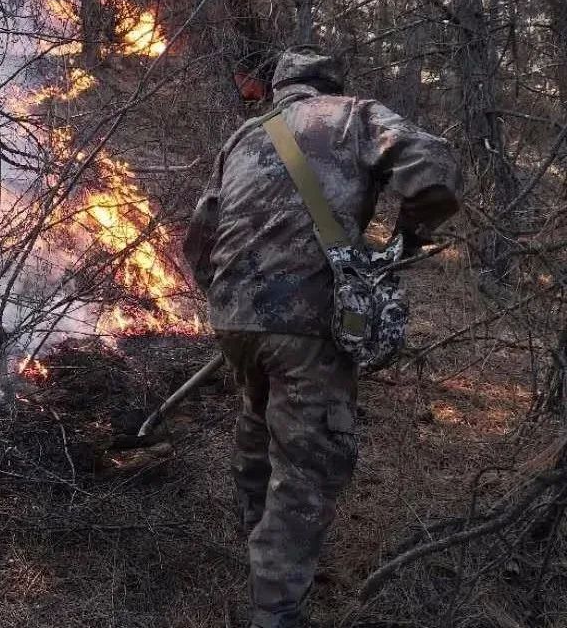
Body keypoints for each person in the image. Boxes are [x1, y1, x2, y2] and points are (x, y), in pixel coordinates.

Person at [183, 46, 461, 628]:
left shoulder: (242, 138)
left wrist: (228, 300)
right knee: (308, 464)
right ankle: (276, 610)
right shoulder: (353, 114)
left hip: (235, 319)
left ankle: (263, 558)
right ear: (329, 83)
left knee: (257, 427)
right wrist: (404, 240)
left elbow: (199, 239)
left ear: (280, 87)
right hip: (307, 322)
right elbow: (432, 169)